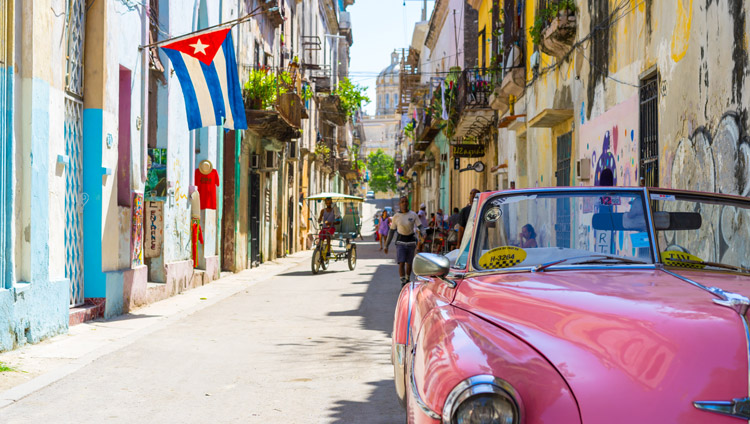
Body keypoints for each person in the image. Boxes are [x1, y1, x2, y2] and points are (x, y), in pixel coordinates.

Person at [384, 196, 425, 286]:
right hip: (400, 242)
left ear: (408, 203)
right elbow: (391, 231)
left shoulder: (413, 215)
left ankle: (407, 278)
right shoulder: (396, 216)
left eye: (406, 201)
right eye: (402, 202)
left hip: (411, 242)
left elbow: (420, 226)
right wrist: (386, 245)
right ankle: (402, 281)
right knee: (401, 262)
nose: (404, 203)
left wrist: (423, 232)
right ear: (399, 204)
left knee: (409, 263)